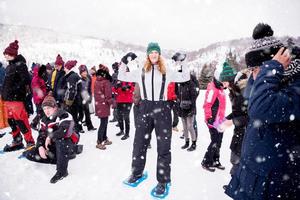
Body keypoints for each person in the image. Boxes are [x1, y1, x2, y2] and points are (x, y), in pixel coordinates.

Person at [225, 23, 300, 200]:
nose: (254, 75)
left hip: (275, 187)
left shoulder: (294, 89)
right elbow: (250, 99)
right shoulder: (267, 85)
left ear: (280, 65)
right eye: (252, 70)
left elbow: (260, 107)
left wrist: (270, 67)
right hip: (252, 179)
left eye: (258, 69)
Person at [120, 42, 190, 198]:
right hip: (144, 108)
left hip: (163, 110)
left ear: (159, 54)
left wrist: (183, 61)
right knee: (139, 143)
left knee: (163, 147)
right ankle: (137, 173)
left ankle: (163, 181)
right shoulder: (140, 71)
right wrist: (124, 62)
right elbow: (121, 75)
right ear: (147, 55)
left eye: (156, 52)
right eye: (151, 52)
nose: (153, 54)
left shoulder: (167, 71)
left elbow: (185, 76)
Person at [24, 94, 79, 184]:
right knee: (30, 154)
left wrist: (50, 136)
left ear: (54, 107)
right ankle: (58, 158)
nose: (46, 111)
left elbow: (66, 132)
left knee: (61, 139)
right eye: (44, 109)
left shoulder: (64, 115)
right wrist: (40, 147)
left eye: (49, 108)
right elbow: (41, 135)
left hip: (68, 144)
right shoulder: (43, 120)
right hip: (55, 147)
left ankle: (62, 171)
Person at [2, 40, 35, 151]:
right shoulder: (9, 67)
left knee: (21, 121)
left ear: (13, 54)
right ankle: (17, 140)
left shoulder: (20, 65)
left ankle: (30, 142)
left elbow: (25, 81)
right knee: (11, 121)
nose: (5, 55)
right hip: (7, 100)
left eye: (8, 54)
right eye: (5, 53)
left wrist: (14, 91)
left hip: (16, 99)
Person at [218, 64, 248, 176]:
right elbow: (237, 112)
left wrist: (232, 121)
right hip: (239, 130)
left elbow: (251, 115)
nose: (223, 86)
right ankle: (235, 183)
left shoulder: (244, 90)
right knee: (235, 157)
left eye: (224, 82)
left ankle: (236, 185)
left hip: (247, 131)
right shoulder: (234, 91)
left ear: (230, 79)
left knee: (239, 159)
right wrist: (226, 119)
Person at [201, 62, 227, 172]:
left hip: (220, 120)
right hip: (213, 119)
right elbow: (207, 104)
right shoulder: (213, 89)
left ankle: (216, 160)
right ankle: (206, 161)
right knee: (215, 140)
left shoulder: (220, 89)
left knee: (219, 140)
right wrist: (209, 117)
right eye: (224, 80)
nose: (226, 83)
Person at [173, 53, 199, 151]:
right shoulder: (179, 84)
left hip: (190, 107)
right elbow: (176, 93)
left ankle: (194, 143)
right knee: (184, 126)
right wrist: (179, 102)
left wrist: (192, 108)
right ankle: (186, 142)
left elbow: (194, 96)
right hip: (181, 107)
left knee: (190, 126)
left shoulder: (190, 84)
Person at [94, 64, 113, 150]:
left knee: (104, 122)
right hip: (104, 105)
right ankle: (99, 141)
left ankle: (104, 138)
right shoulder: (106, 82)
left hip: (99, 104)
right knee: (103, 123)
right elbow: (108, 96)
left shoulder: (97, 80)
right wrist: (112, 103)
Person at [63, 60, 84, 133]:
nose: (64, 69)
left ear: (69, 68)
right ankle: (77, 129)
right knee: (75, 116)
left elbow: (72, 90)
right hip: (77, 99)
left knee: (73, 116)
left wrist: (69, 102)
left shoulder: (72, 77)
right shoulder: (74, 75)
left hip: (74, 100)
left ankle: (75, 131)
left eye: (65, 67)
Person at [30, 65, 49, 130]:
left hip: (40, 98)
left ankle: (35, 123)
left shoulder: (39, 78)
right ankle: (34, 124)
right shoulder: (36, 79)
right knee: (41, 113)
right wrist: (44, 95)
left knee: (41, 113)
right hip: (39, 99)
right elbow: (37, 90)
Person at [78, 64, 96, 131]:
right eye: (83, 72)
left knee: (87, 113)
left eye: (85, 71)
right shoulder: (79, 80)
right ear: (80, 73)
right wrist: (79, 100)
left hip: (86, 97)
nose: (84, 73)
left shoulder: (89, 78)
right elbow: (78, 91)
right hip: (80, 99)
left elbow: (89, 89)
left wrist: (90, 97)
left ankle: (90, 127)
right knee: (81, 115)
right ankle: (79, 128)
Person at [0, 61, 8, 129]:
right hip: (4, 92)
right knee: (4, 108)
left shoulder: (2, 70)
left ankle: (2, 124)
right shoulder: (3, 69)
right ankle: (5, 123)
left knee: (1, 109)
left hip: (1, 92)